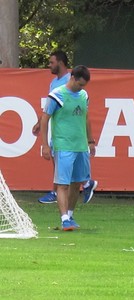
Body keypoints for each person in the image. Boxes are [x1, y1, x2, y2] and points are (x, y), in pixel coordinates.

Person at [32, 50, 97, 204]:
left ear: (60, 63)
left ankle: (80, 185)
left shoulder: (71, 81)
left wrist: (90, 139)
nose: (49, 65)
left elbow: (83, 112)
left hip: (70, 135)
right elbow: (50, 109)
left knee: (67, 168)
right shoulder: (54, 83)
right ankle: (78, 188)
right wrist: (39, 122)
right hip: (60, 132)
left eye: (52, 62)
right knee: (59, 163)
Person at [40, 65, 95, 230]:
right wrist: (44, 145)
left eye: (84, 85)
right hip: (63, 145)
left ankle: (70, 215)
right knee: (62, 183)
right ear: (72, 78)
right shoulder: (56, 95)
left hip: (80, 146)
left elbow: (86, 118)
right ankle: (64, 219)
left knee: (76, 183)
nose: (81, 88)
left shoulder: (84, 95)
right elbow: (45, 120)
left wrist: (90, 141)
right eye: (80, 84)